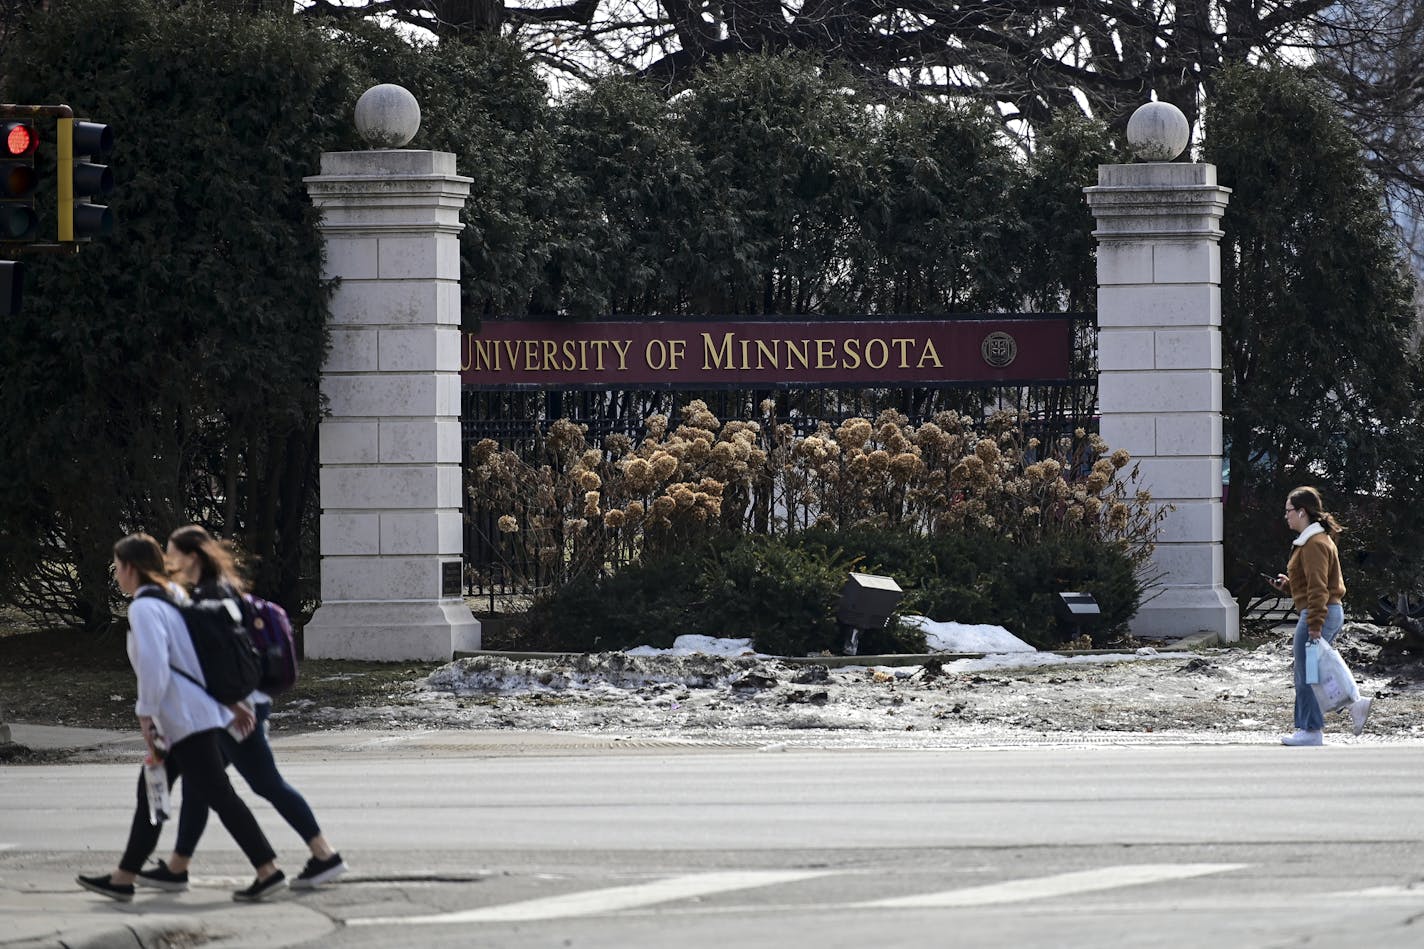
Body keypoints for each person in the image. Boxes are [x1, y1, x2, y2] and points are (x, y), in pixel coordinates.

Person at [131, 524, 347, 894]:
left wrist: (232, 704)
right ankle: (178, 866)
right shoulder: (217, 592)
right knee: (204, 785)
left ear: (191, 556)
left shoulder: (211, 598)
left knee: (264, 783)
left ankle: (322, 855)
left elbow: (220, 663)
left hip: (237, 709)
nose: (168, 561)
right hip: (236, 705)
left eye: (172, 552)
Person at [78, 533, 286, 903]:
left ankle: (267, 870)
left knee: (219, 795)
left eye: (116, 567)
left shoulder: (144, 608)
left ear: (130, 567)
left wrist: (146, 714)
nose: (115, 575)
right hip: (190, 715)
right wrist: (230, 701)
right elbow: (198, 658)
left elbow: (157, 667)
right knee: (152, 791)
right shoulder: (174, 597)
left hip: (182, 719)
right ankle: (124, 877)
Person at [1269, 486, 1372, 746]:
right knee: (1315, 670)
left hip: (1318, 614)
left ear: (1302, 512)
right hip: (1324, 611)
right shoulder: (1315, 540)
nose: (1286, 516)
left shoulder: (1314, 543)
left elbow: (1319, 588)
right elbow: (1312, 584)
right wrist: (1289, 586)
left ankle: (1311, 729)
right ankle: (1352, 704)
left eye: (1289, 511)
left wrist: (1314, 624)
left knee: (1306, 672)